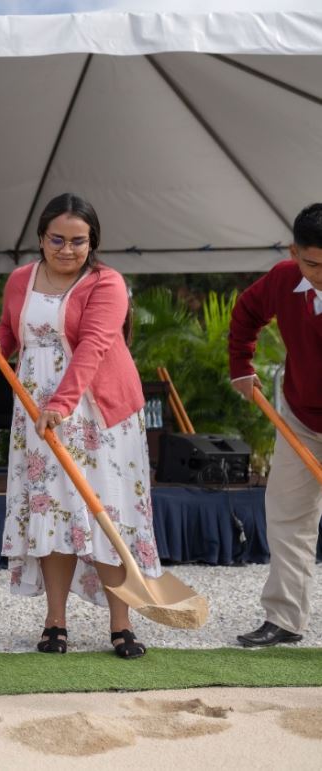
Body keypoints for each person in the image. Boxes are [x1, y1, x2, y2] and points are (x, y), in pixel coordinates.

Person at [0, 192, 159, 659]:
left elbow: (95, 347)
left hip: (96, 414)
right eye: (57, 239)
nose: (66, 249)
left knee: (107, 512)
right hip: (36, 412)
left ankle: (121, 625)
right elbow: (10, 329)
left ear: (92, 242)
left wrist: (60, 405)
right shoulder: (21, 278)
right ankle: (55, 623)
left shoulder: (108, 283)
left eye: (78, 241)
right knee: (52, 513)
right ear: (40, 238)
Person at [229, 203, 322, 647]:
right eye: (313, 263)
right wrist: (240, 366)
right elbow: (246, 312)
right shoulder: (284, 279)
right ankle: (285, 619)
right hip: (300, 417)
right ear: (294, 252)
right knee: (287, 517)